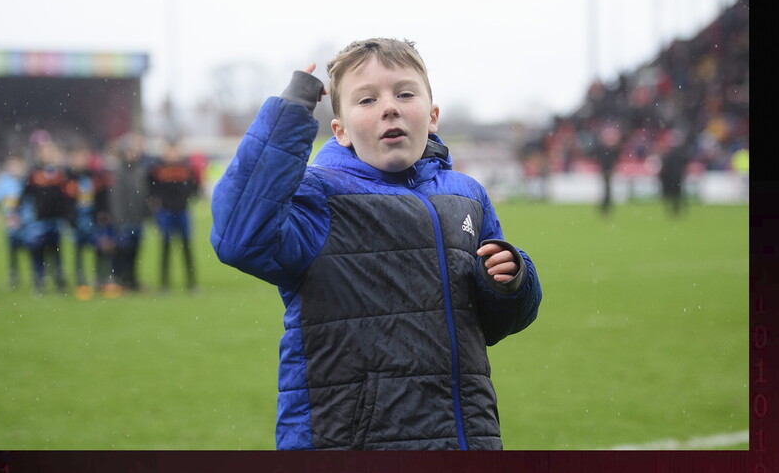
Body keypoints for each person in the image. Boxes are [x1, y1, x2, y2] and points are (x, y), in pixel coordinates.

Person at [211, 38, 543, 450]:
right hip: (351, 443)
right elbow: (239, 238)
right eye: (367, 100)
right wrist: (288, 117)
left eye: (405, 93)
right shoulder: (319, 196)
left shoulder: (467, 196)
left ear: (433, 115)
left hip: (462, 441)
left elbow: (496, 323)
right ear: (341, 130)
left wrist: (512, 281)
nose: (389, 106)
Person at [148, 140, 202, 293]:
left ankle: (192, 283)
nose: (172, 154)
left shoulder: (186, 169)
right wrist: (157, 202)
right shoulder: (157, 170)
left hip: (182, 211)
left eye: (174, 150)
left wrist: (188, 198)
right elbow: (151, 188)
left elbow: (194, 186)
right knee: (165, 247)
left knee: (186, 247)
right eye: (169, 151)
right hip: (165, 212)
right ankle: (164, 283)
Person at [19, 139, 69, 295]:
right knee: (38, 252)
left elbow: (66, 196)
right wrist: (19, 214)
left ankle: (60, 282)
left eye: (51, 151)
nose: (48, 155)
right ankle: (39, 282)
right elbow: (24, 195)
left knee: (56, 251)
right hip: (39, 221)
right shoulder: (34, 174)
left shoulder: (60, 174)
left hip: (56, 220)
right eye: (45, 152)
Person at [63, 142, 109, 298]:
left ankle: (100, 280)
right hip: (77, 221)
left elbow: (102, 197)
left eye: (82, 157)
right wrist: (70, 218)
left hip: (93, 220)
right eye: (76, 157)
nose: (79, 160)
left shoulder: (95, 177)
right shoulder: (68, 178)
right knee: (79, 252)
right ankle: (81, 282)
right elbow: (65, 201)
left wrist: (103, 214)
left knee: (100, 249)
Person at [106, 131, 150, 292]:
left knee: (135, 252)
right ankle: (120, 280)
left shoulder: (140, 171)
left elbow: (143, 196)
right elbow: (116, 199)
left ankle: (131, 280)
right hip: (124, 221)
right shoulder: (119, 172)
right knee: (123, 252)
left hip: (137, 219)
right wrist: (119, 220)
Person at [0, 154, 33, 289]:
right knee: (13, 249)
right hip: (11, 223)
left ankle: (35, 275)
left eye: (17, 165)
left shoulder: (27, 181)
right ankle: (14, 275)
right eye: (12, 165)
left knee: (31, 248)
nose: (15, 168)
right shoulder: (4, 181)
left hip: (27, 222)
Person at [659, 131, 692, 217]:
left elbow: (665, 166)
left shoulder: (668, 154)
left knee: (672, 194)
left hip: (671, 177)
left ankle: (674, 209)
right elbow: (684, 164)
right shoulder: (680, 153)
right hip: (676, 177)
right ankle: (678, 209)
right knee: (678, 194)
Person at [595, 124, 622, 216]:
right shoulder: (605, 149)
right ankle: (606, 208)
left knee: (607, 191)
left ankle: (605, 208)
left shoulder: (607, 150)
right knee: (607, 191)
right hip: (606, 172)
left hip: (607, 172)